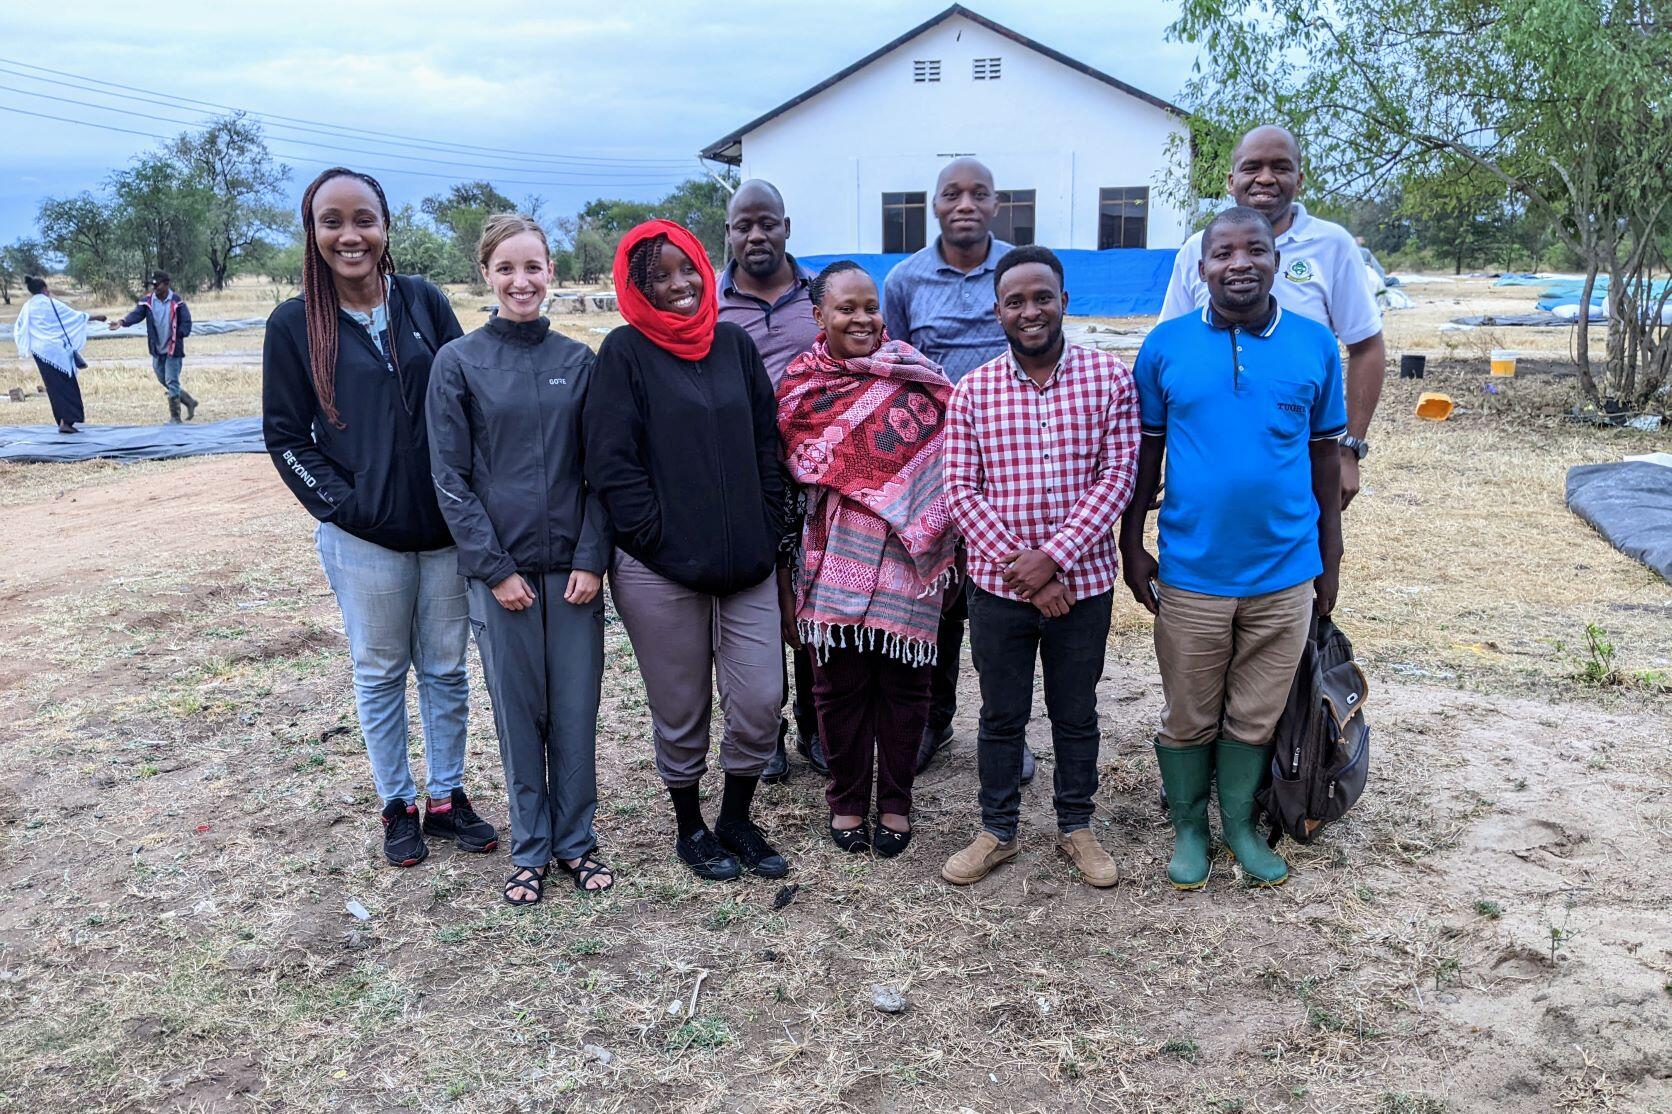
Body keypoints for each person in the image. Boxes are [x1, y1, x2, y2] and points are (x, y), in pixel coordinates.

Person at [262, 167, 497, 869]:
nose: (349, 234)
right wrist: (349, 505)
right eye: (331, 221)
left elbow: (468, 401)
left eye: (362, 218)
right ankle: (397, 804)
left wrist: (470, 497)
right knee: (381, 671)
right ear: (313, 232)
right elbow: (286, 436)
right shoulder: (293, 324)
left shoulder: (424, 304)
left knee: (447, 669)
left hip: (446, 532)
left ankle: (448, 797)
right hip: (364, 542)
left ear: (386, 225)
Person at [1121, 207, 1346, 890]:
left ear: (1278, 261)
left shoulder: (1314, 345)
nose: (1239, 263)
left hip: (1284, 573)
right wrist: (1133, 546)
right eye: (1223, 253)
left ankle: (1241, 826)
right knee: (1189, 710)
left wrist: (1330, 563)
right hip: (1192, 571)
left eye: (1256, 250)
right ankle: (1191, 828)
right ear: (1201, 267)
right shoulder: (1165, 347)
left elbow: (1325, 463)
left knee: (1255, 710)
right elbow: (1145, 459)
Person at [583, 219, 791, 883]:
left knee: (760, 699)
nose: (677, 285)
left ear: (706, 267)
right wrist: (661, 542)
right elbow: (612, 466)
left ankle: (736, 816)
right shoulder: (623, 353)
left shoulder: (732, 345)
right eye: (657, 277)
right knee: (681, 710)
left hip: (747, 568)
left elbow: (768, 443)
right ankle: (689, 824)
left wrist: (764, 525)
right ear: (634, 288)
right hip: (660, 573)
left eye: (685, 269)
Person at [427, 214, 613, 905]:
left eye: (533, 267)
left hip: (572, 575)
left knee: (574, 710)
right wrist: (494, 568)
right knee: (517, 712)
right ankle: (530, 846)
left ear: (552, 273)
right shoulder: (460, 364)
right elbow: (450, 477)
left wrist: (592, 559)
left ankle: (576, 843)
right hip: (501, 575)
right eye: (506, 269)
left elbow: (602, 474)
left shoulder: (579, 363)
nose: (521, 281)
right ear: (486, 275)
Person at [940, 246, 1139, 889]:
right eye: (1016, 301)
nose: (1031, 311)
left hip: (1083, 586)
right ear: (997, 311)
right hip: (999, 591)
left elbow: (1118, 478)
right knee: (1000, 714)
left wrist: (1052, 561)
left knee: (1075, 710)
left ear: (1064, 303)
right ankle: (997, 830)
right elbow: (960, 491)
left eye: (1043, 297)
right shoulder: (973, 391)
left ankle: (1077, 826)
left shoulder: (1108, 379)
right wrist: (1023, 571)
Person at [777, 260, 956, 858]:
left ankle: (897, 804)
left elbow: (945, 463)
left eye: (870, 306)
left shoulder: (917, 376)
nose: (862, 318)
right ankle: (847, 800)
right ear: (818, 315)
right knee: (837, 686)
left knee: (908, 687)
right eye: (846, 308)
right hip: (831, 557)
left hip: (910, 557)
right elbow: (796, 469)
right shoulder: (802, 385)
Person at [881, 157, 1025, 780]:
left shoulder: (1020, 269)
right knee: (935, 598)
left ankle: (1006, 731)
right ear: (933, 205)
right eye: (951, 194)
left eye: (979, 193)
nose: (965, 203)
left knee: (1003, 600)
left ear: (997, 205)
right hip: (933, 470)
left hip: (1011, 467)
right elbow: (893, 371)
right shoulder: (906, 279)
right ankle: (931, 722)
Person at [1159, 125, 1384, 509]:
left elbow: (1366, 346)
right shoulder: (1197, 249)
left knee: (1302, 558)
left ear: (1300, 177)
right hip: (1208, 466)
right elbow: (1167, 355)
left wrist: (1349, 448)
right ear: (1232, 180)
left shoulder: (1332, 246)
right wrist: (1160, 458)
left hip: (1303, 459)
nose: (1265, 178)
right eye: (1252, 167)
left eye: (1280, 166)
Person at [717, 179, 823, 781]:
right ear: (728, 233)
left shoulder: (820, 294)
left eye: (767, 223)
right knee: (758, 604)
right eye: (743, 226)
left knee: (816, 599)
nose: (756, 235)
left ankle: (816, 721)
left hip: (824, 477)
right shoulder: (710, 300)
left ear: (787, 227)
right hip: (745, 477)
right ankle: (766, 725)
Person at [11, 275, 105, 433]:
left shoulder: (27, 307)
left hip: (40, 353)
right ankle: (67, 422)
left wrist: (30, 344)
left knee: (54, 388)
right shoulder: (50, 303)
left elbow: (19, 328)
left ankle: (62, 420)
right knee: (67, 386)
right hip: (57, 353)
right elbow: (73, 316)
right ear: (44, 289)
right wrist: (96, 317)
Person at [111, 271, 197, 423]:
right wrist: (122, 322)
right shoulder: (148, 302)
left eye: (158, 284)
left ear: (167, 284)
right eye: (153, 284)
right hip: (157, 349)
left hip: (172, 349)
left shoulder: (177, 302)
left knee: (171, 381)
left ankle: (175, 417)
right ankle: (189, 401)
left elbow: (187, 322)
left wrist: (180, 334)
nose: (155, 287)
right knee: (163, 379)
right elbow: (136, 314)